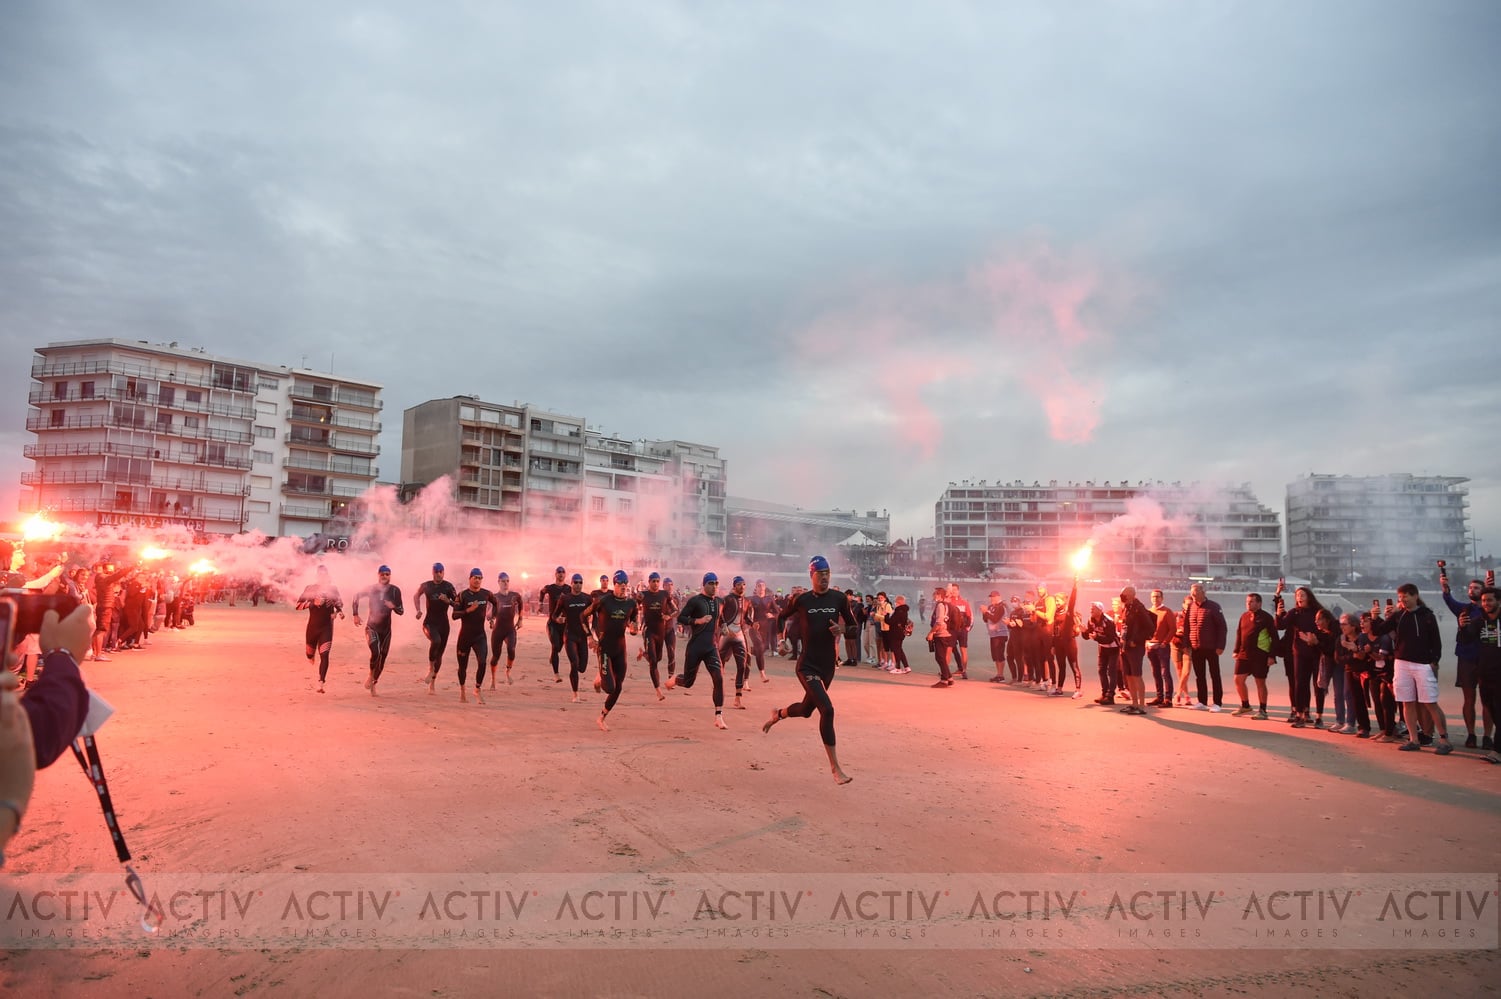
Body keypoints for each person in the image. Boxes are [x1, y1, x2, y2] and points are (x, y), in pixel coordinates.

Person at [764, 555, 857, 785]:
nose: (824, 577)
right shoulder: (801, 600)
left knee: (806, 710)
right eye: (820, 574)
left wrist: (842, 629)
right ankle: (836, 769)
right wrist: (780, 640)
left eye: (827, 573)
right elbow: (781, 617)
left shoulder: (839, 599)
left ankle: (780, 713)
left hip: (828, 667)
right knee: (827, 710)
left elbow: (854, 627)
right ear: (811, 575)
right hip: (807, 665)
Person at [1369, 583, 1453, 754]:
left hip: (1423, 664)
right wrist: (1375, 617)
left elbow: (1436, 641)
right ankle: (1414, 739)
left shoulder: (1427, 615)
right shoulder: (1398, 616)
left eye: (1406, 596)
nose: (1403, 600)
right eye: (1400, 597)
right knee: (1407, 702)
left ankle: (1444, 739)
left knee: (1429, 702)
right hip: (1402, 663)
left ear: (1415, 596)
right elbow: (1378, 631)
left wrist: (1434, 661)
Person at [667, 573, 729, 729]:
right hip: (695, 647)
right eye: (711, 583)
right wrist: (697, 621)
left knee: (719, 678)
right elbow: (681, 618)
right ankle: (676, 679)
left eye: (716, 583)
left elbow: (720, 617)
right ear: (704, 584)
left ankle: (718, 716)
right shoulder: (695, 601)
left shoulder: (720, 602)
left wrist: (724, 625)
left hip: (711, 647)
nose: (714, 586)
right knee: (688, 682)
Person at [1442, 575, 1492, 749]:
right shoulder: (1464, 609)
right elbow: (1449, 601)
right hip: (1466, 657)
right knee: (1468, 699)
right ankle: (1471, 734)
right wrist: (1445, 589)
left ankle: (1487, 735)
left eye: (1476, 588)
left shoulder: (1489, 610)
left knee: (1488, 700)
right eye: (1470, 588)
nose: (1472, 590)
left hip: (1486, 658)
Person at [1456, 587, 1501, 763]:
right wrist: (1462, 627)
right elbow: (1465, 640)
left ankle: (1496, 752)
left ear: (1498, 601)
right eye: (1484, 601)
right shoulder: (1479, 621)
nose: (1486, 604)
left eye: (1490, 600)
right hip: (1484, 674)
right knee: (1492, 710)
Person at [594, 570, 642, 731]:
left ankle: (602, 717)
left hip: (620, 649)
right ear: (614, 585)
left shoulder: (631, 604)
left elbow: (633, 621)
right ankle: (601, 676)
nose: (623, 587)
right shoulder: (604, 601)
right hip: (605, 648)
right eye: (620, 584)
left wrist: (634, 627)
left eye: (625, 584)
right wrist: (589, 636)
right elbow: (583, 615)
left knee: (618, 687)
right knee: (609, 688)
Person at [1274, 583, 1324, 727]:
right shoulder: (1294, 612)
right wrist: (1278, 614)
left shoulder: (1318, 611)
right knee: (1299, 684)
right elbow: (1280, 626)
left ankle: (1319, 717)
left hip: (1316, 651)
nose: (1299, 597)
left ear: (1309, 596)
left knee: (1318, 685)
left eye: (1302, 595)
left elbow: (1327, 628)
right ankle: (1299, 715)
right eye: (1297, 595)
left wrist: (1315, 639)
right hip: (1299, 652)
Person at [351, 565, 404, 696]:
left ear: (390, 575)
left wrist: (393, 606)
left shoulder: (395, 591)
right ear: (378, 575)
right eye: (382, 574)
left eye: (387, 574)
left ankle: (374, 683)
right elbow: (356, 596)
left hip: (386, 631)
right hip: (372, 627)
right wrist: (355, 614)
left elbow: (401, 611)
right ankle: (370, 674)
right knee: (375, 652)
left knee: (383, 658)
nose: (384, 576)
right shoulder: (371, 589)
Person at [295, 565, 344, 693]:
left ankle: (321, 682)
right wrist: (312, 603)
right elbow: (298, 606)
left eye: (325, 575)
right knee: (309, 654)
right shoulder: (310, 589)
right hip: (312, 628)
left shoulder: (333, 589)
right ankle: (311, 656)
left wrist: (339, 612)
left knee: (325, 654)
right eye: (320, 575)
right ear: (317, 576)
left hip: (326, 627)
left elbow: (338, 603)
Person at [1230, 593, 1276, 719]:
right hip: (1244, 654)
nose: (1248, 603)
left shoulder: (1266, 618)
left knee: (1260, 682)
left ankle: (1263, 710)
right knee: (1238, 680)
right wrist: (1236, 650)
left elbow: (1274, 638)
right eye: (1247, 601)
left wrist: (1272, 656)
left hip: (1260, 654)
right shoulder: (1244, 616)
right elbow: (1239, 634)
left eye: (1251, 601)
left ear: (1259, 603)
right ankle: (1245, 705)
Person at [414, 563, 457, 694]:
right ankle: (430, 668)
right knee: (436, 641)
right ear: (432, 572)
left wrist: (448, 601)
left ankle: (432, 683)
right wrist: (418, 610)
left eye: (441, 571)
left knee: (440, 655)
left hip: (444, 624)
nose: (438, 574)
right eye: (436, 571)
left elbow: (458, 604)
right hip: (429, 622)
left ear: (443, 572)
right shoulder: (426, 585)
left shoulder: (448, 586)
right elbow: (416, 596)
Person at [1185, 583, 1228, 713]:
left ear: (1203, 592)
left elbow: (1222, 627)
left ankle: (1217, 702)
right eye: (1192, 592)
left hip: (1211, 647)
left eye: (1196, 592)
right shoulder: (1191, 607)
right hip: (1196, 647)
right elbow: (1187, 626)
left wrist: (1220, 646)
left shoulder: (1214, 607)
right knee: (1200, 676)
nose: (1193, 594)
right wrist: (1186, 645)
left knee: (1215, 675)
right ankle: (1202, 701)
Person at [452, 569, 493, 704]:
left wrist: (492, 617)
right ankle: (462, 691)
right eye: (475, 577)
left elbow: (496, 604)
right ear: (469, 579)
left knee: (482, 662)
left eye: (480, 578)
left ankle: (477, 688)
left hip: (479, 636)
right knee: (462, 666)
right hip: (465, 636)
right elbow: (454, 615)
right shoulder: (462, 595)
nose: (477, 580)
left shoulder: (486, 594)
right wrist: (468, 610)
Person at [555, 574, 597, 704]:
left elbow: (595, 614)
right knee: (574, 663)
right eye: (576, 582)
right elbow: (554, 615)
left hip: (583, 636)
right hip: (569, 635)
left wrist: (594, 629)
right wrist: (558, 619)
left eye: (580, 582)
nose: (578, 584)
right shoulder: (565, 599)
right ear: (571, 583)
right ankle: (575, 694)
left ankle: (576, 674)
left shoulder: (587, 598)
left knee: (582, 667)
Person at [1117, 586, 1156, 715]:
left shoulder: (1139, 608)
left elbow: (1150, 628)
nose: (1122, 597)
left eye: (1124, 595)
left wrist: (1136, 640)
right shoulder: (1127, 608)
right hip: (1125, 646)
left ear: (1132, 595)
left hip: (1135, 647)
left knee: (1136, 675)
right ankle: (1134, 704)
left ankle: (1141, 706)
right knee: (1128, 676)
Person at [636, 572, 675, 692]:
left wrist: (669, 616)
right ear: (649, 582)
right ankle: (658, 688)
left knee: (663, 656)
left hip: (664, 630)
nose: (656, 583)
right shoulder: (643, 594)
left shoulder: (666, 595)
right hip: (649, 630)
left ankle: (670, 678)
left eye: (657, 581)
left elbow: (675, 610)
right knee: (654, 661)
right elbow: (634, 607)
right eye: (653, 581)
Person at [720, 576, 754, 710]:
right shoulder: (727, 599)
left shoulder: (746, 601)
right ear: (734, 586)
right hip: (727, 635)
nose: (742, 587)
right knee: (720, 664)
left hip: (739, 635)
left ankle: (737, 699)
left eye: (744, 584)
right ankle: (719, 689)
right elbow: (720, 614)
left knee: (742, 666)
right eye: (739, 584)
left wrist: (752, 624)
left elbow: (747, 618)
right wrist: (724, 628)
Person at [487, 572, 524, 688]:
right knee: (495, 657)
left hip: (510, 629)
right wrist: (491, 620)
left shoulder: (515, 596)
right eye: (503, 581)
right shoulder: (494, 597)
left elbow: (521, 605)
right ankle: (493, 680)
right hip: (498, 631)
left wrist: (520, 619)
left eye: (507, 581)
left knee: (511, 649)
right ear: (498, 582)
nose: (505, 583)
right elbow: (489, 614)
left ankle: (508, 671)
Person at [1081, 601, 1120, 703]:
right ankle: (1104, 693)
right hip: (1102, 647)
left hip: (1113, 648)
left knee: (1111, 671)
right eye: (1091, 608)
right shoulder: (1091, 620)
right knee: (1101, 670)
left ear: (1100, 610)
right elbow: (1087, 636)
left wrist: (1097, 637)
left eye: (1093, 608)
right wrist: (1084, 631)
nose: (1091, 610)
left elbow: (1110, 639)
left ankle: (1110, 695)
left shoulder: (1108, 621)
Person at [1146, 589, 1176, 707]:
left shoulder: (1167, 611)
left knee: (1165, 672)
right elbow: (1145, 629)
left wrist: (1165, 642)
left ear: (1162, 598)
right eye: (1153, 597)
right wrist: (1146, 642)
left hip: (1162, 646)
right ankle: (1159, 697)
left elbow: (1172, 629)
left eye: (1157, 597)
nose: (1155, 599)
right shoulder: (1148, 612)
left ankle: (1168, 699)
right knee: (1155, 672)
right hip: (1150, 646)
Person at [539, 567, 570, 682]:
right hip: (552, 623)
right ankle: (556, 675)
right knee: (555, 646)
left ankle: (553, 654)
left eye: (563, 573)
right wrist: (540, 604)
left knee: (559, 648)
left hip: (564, 624)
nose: (561, 574)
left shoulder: (568, 589)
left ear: (565, 575)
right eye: (559, 573)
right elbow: (542, 592)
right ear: (555, 574)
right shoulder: (550, 588)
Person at [926, 586, 955, 687]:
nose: (933, 595)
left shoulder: (940, 606)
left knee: (940, 657)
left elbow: (939, 622)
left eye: (935, 594)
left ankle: (944, 680)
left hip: (942, 634)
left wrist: (931, 632)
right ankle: (949, 677)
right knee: (941, 657)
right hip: (945, 633)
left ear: (939, 595)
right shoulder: (944, 604)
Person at [982, 591, 1010, 682]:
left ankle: (1001, 675)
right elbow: (985, 619)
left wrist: (986, 612)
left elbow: (995, 619)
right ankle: (998, 674)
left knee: (999, 654)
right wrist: (984, 612)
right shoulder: (991, 607)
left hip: (1000, 633)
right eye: (991, 597)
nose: (992, 599)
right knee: (995, 655)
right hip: (993, 634)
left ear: (998, 597)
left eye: (993, 597)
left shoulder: (1001, 606)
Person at [947, 584, 973, 679]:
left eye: (955, 590)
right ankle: (946, 670)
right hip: (952, 630)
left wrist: (967, 628)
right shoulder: (949, 602)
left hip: (962, 630)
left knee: (963, 650)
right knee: (948, 649)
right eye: (952, 590)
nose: (954, 592)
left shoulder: (964, 602)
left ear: (958, 591)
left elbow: (970, 616)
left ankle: (964, 671)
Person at [885, 595, 912, 674]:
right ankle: (906, 667)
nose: (894, 603)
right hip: (900, 632)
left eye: (895, 601)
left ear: (898, 602)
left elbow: (890, 621)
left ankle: (898, 668)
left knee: (896, 650)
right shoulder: (904, 610)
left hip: (895, 632)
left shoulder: (898, 611)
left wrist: (886, 615)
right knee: (899, 649)